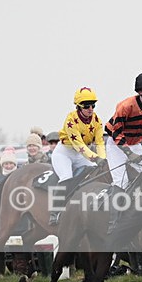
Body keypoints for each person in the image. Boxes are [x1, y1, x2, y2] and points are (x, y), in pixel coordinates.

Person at [49, 87, 107, 225]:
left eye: (93, 105)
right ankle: (55, 212)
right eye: (86, 106)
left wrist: (102, 158)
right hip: (64, 152)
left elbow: (99, 142)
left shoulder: (97, 121)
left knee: (96, 170)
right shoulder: (71, 119)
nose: (90, 109)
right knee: (66, 176)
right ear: (78, 106)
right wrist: (96, 158)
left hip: (82, 154)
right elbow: (78, 145)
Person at [104, 72, 142, 191]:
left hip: (135, 144)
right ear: (140, 92)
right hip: (116, 145)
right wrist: (129, 153)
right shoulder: (126, 106)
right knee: (122, 183)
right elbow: (116, 133)